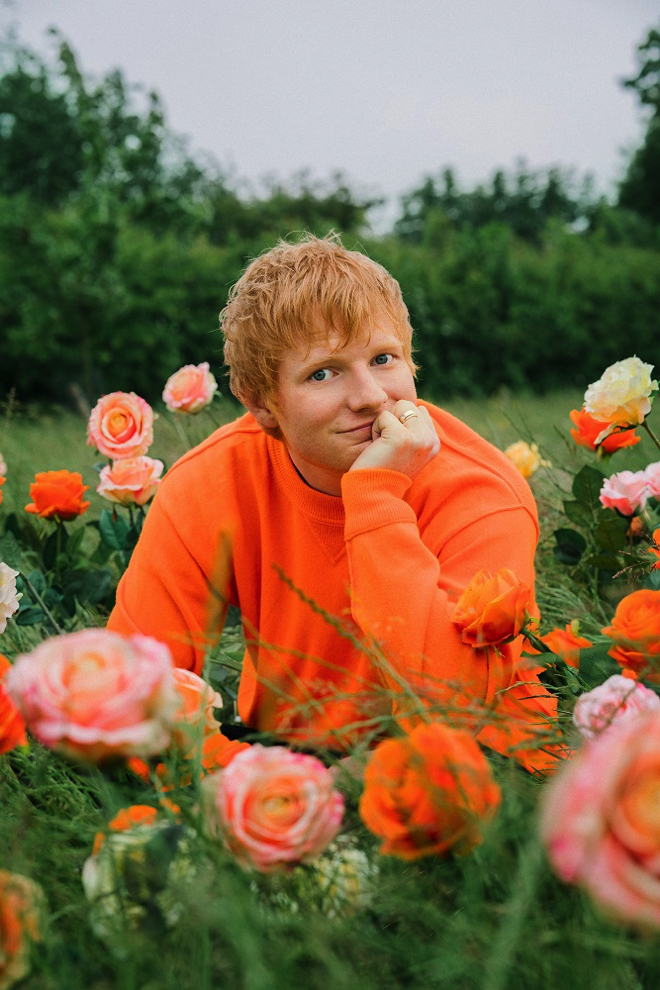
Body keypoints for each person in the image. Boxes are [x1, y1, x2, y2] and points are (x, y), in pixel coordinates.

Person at [107, 234, 558, 771]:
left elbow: (450, 704)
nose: (370, 396)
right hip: (283, 753)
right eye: (323, 372)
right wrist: (252, 779)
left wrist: (376, 497)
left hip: (481, 765)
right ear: (263, 405)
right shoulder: (210, 482)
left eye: (383, 358)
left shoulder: (482, 492)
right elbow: (125, 695)